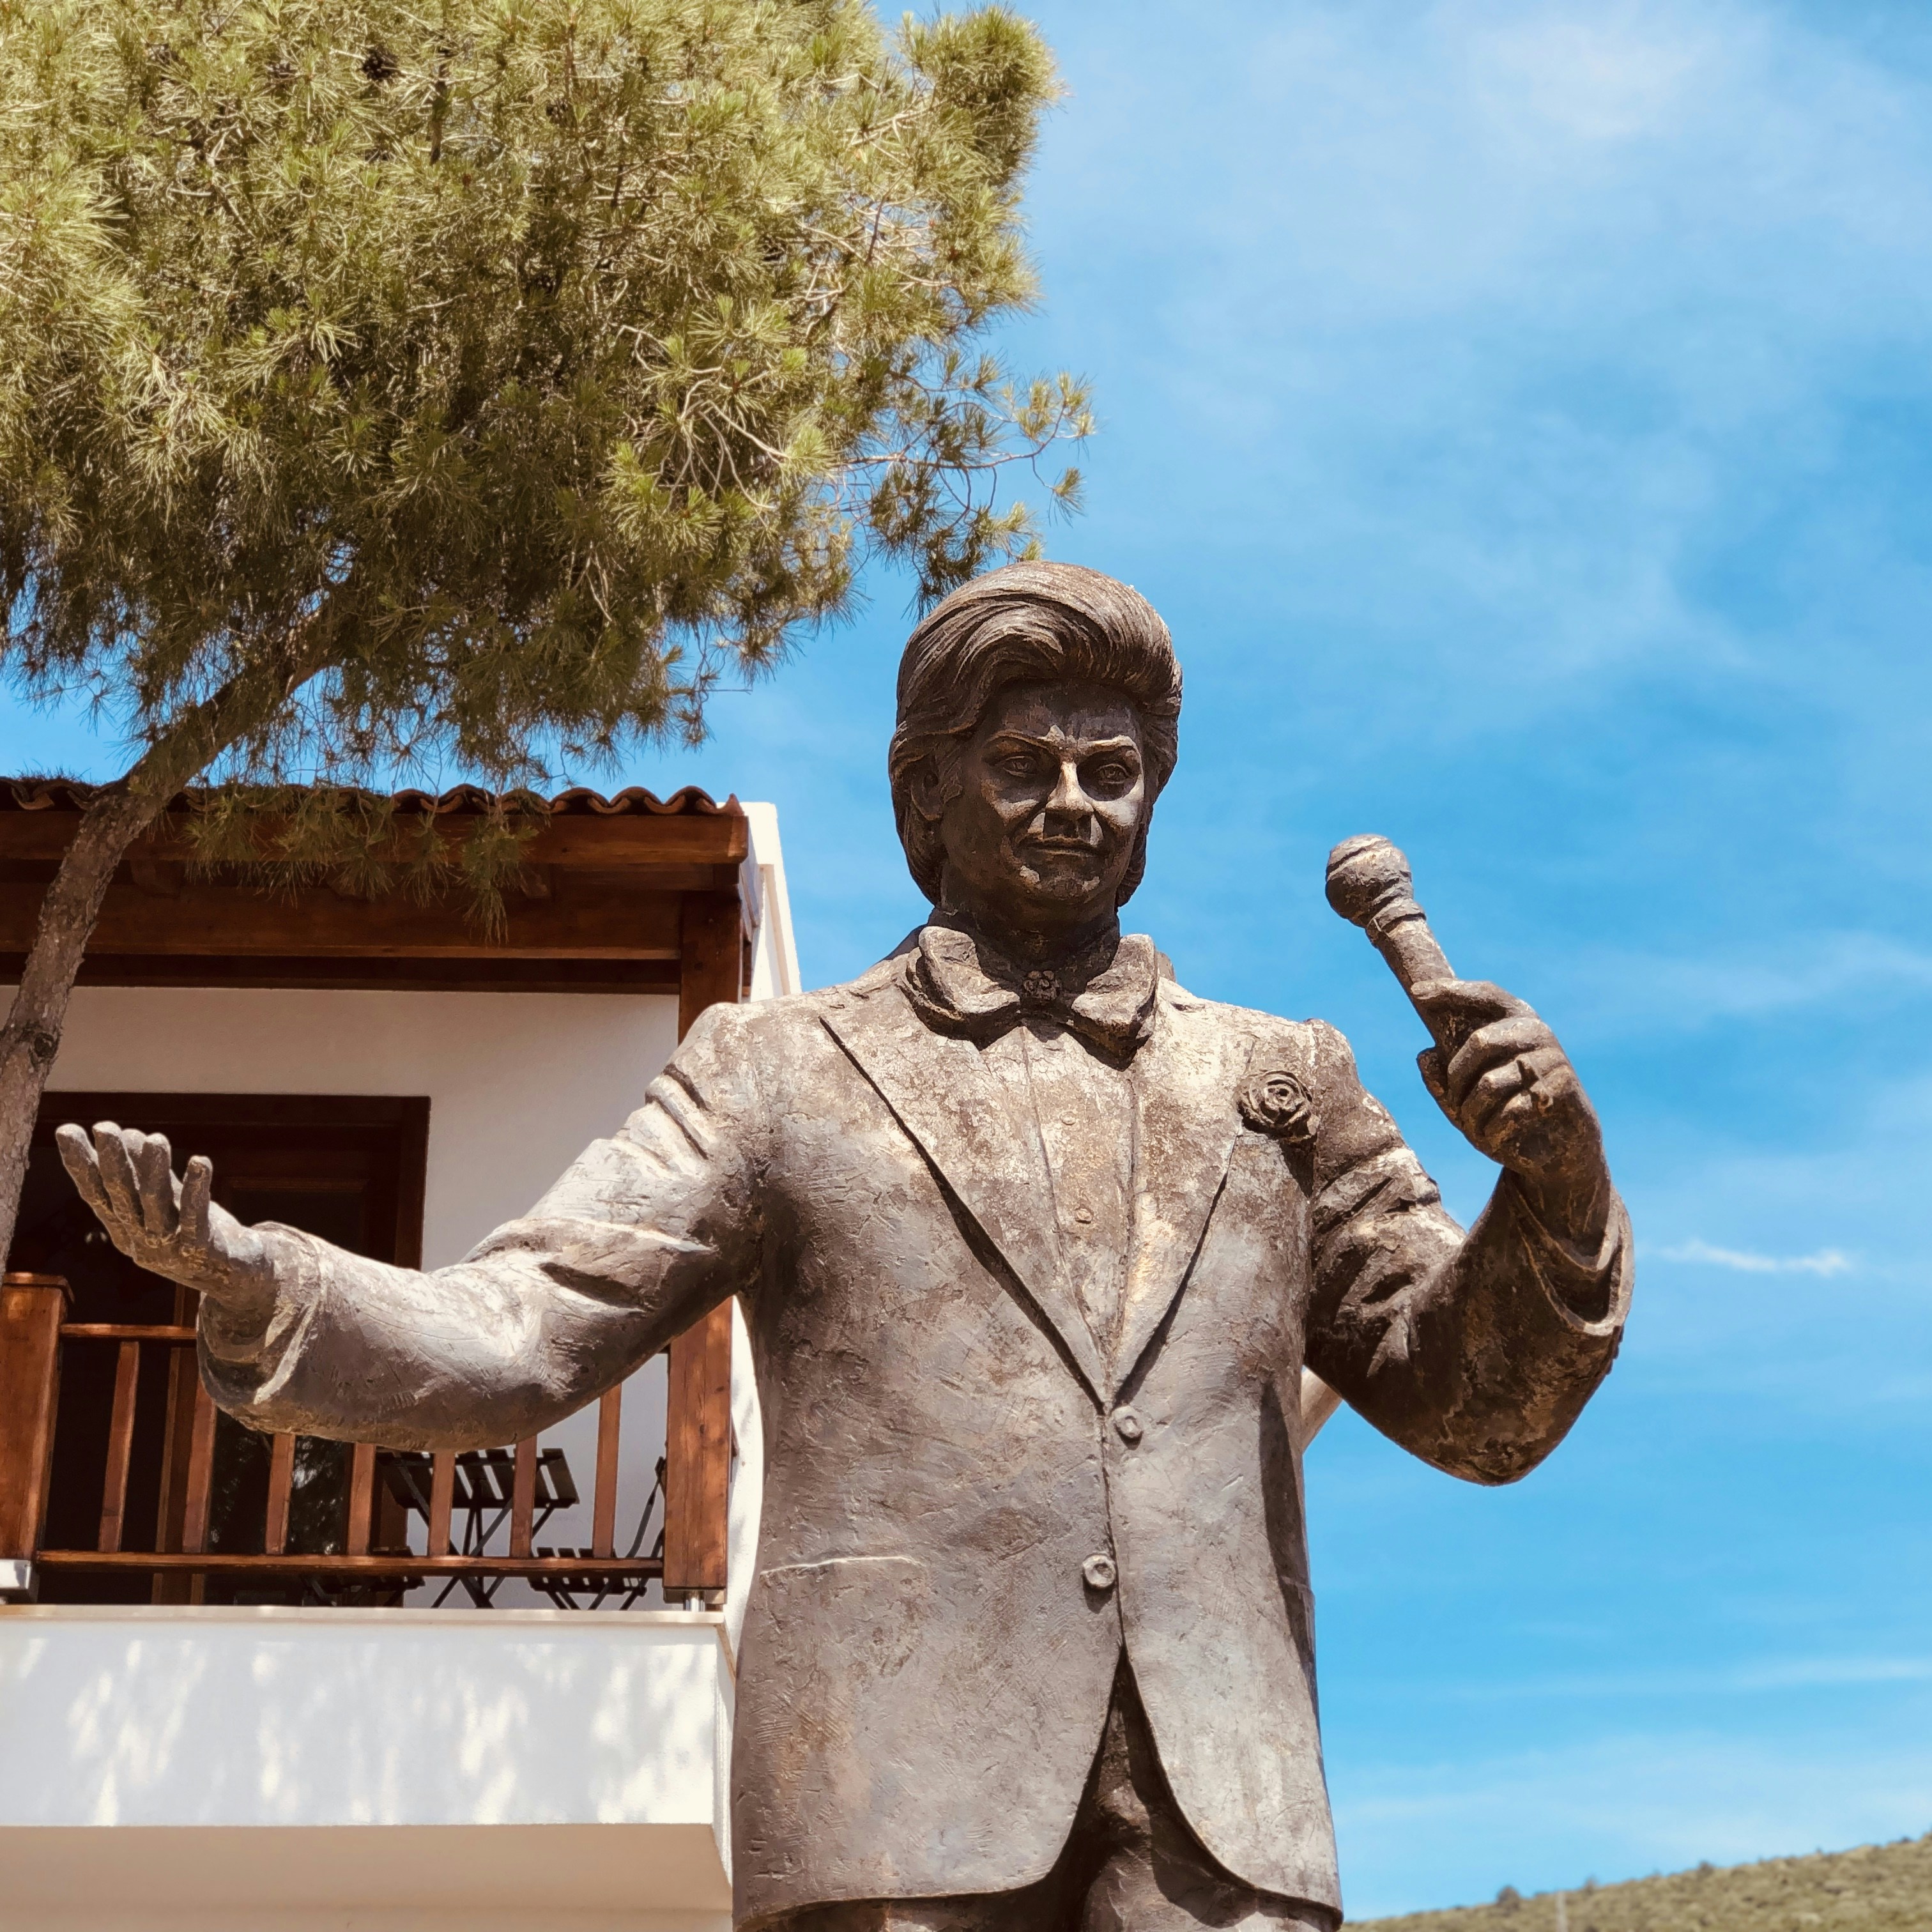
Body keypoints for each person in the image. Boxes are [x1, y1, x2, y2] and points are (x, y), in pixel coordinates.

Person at [61, 562, 1631, 1932]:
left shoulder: (1282, 1084)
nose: (1075, 801)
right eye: (1023, 764)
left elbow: (1470, 1406)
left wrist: (1553, 1182)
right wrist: (265, 1279)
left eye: (1114, 767)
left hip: (1231, 1813)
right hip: (889, 1787)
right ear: (921, 797)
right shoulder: (778, 1074)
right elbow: (531, 1321)